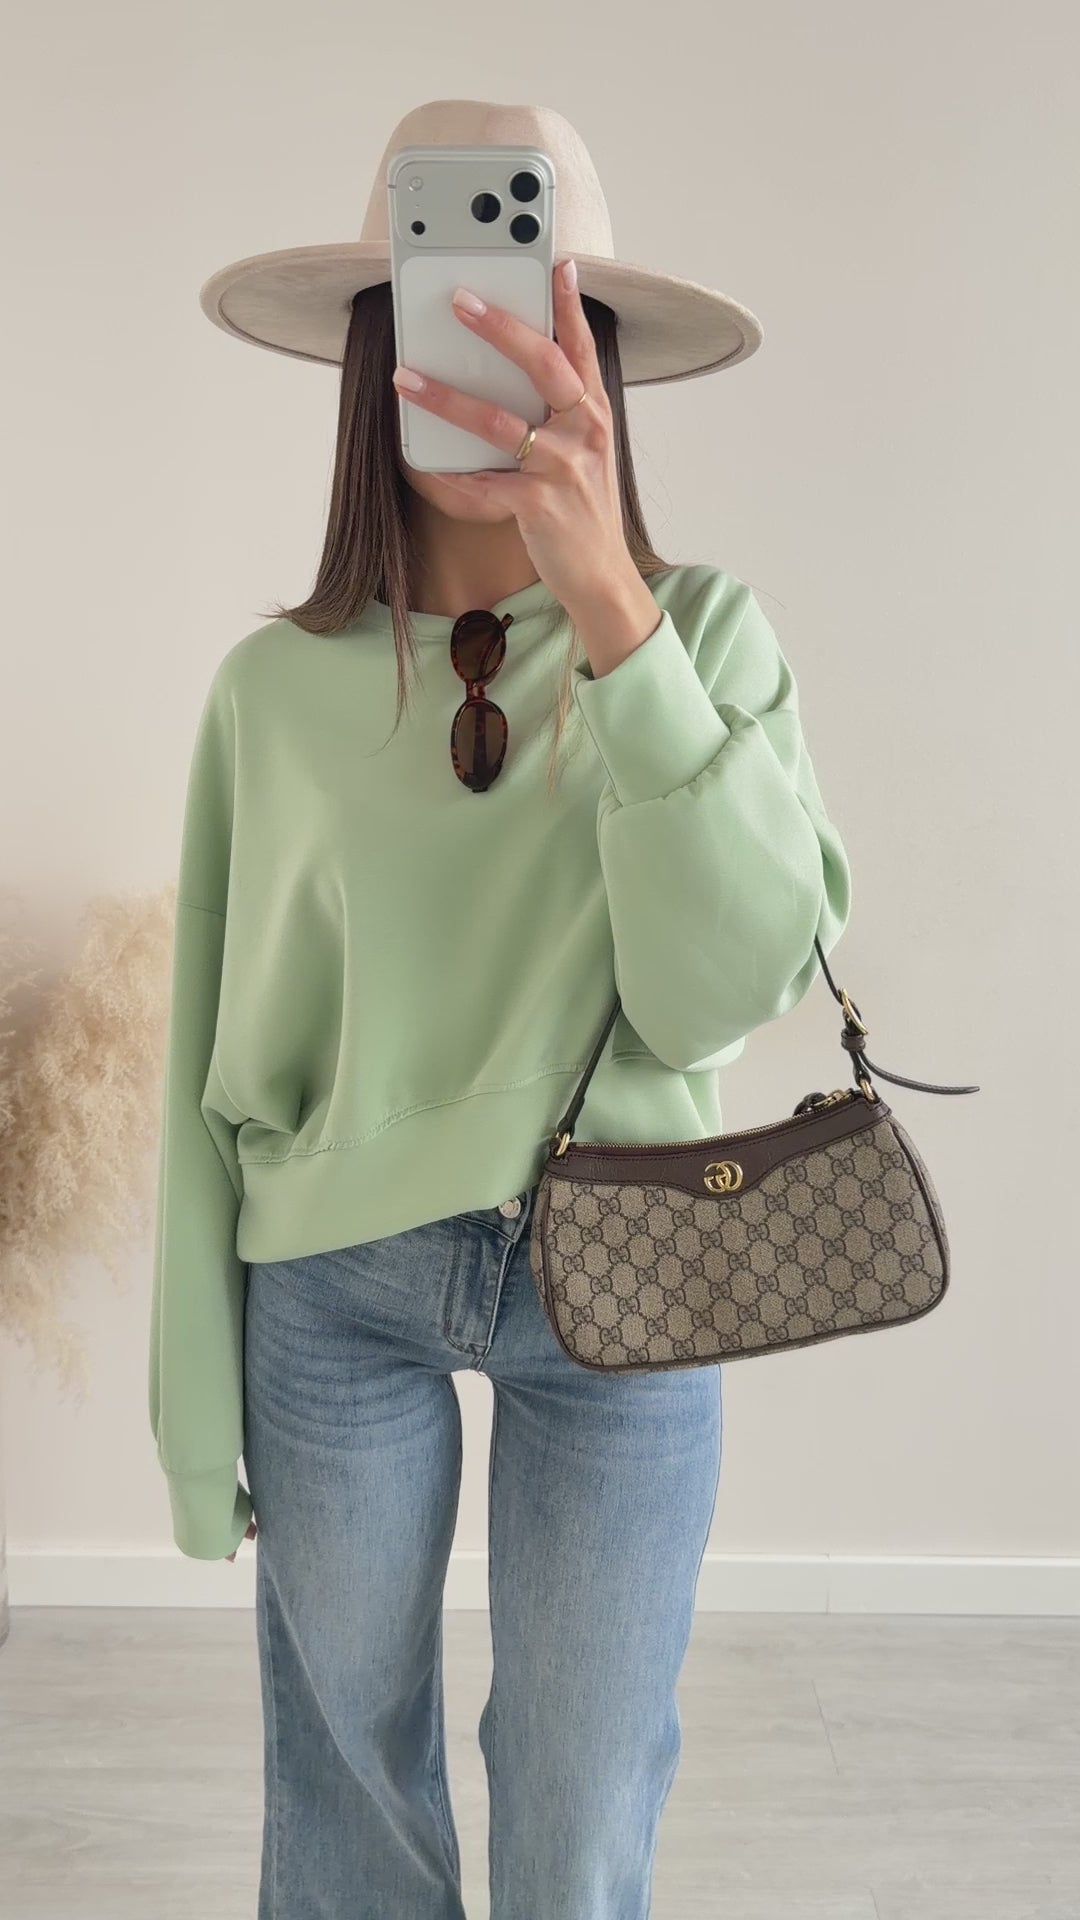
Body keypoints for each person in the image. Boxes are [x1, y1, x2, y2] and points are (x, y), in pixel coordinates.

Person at [150, 99, 852, 1919]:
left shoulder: (702, 638)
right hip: (333, 1288)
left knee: (581, 1800)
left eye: (529, 322)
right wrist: (187, 1397)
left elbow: (722, 990)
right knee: (345, 1799)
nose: (485, 364)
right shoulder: (269, 690)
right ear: (374, 358)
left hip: (638, 1269)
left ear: (591, 362)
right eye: (442, 320)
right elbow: (208, 1067)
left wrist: (610, 608)